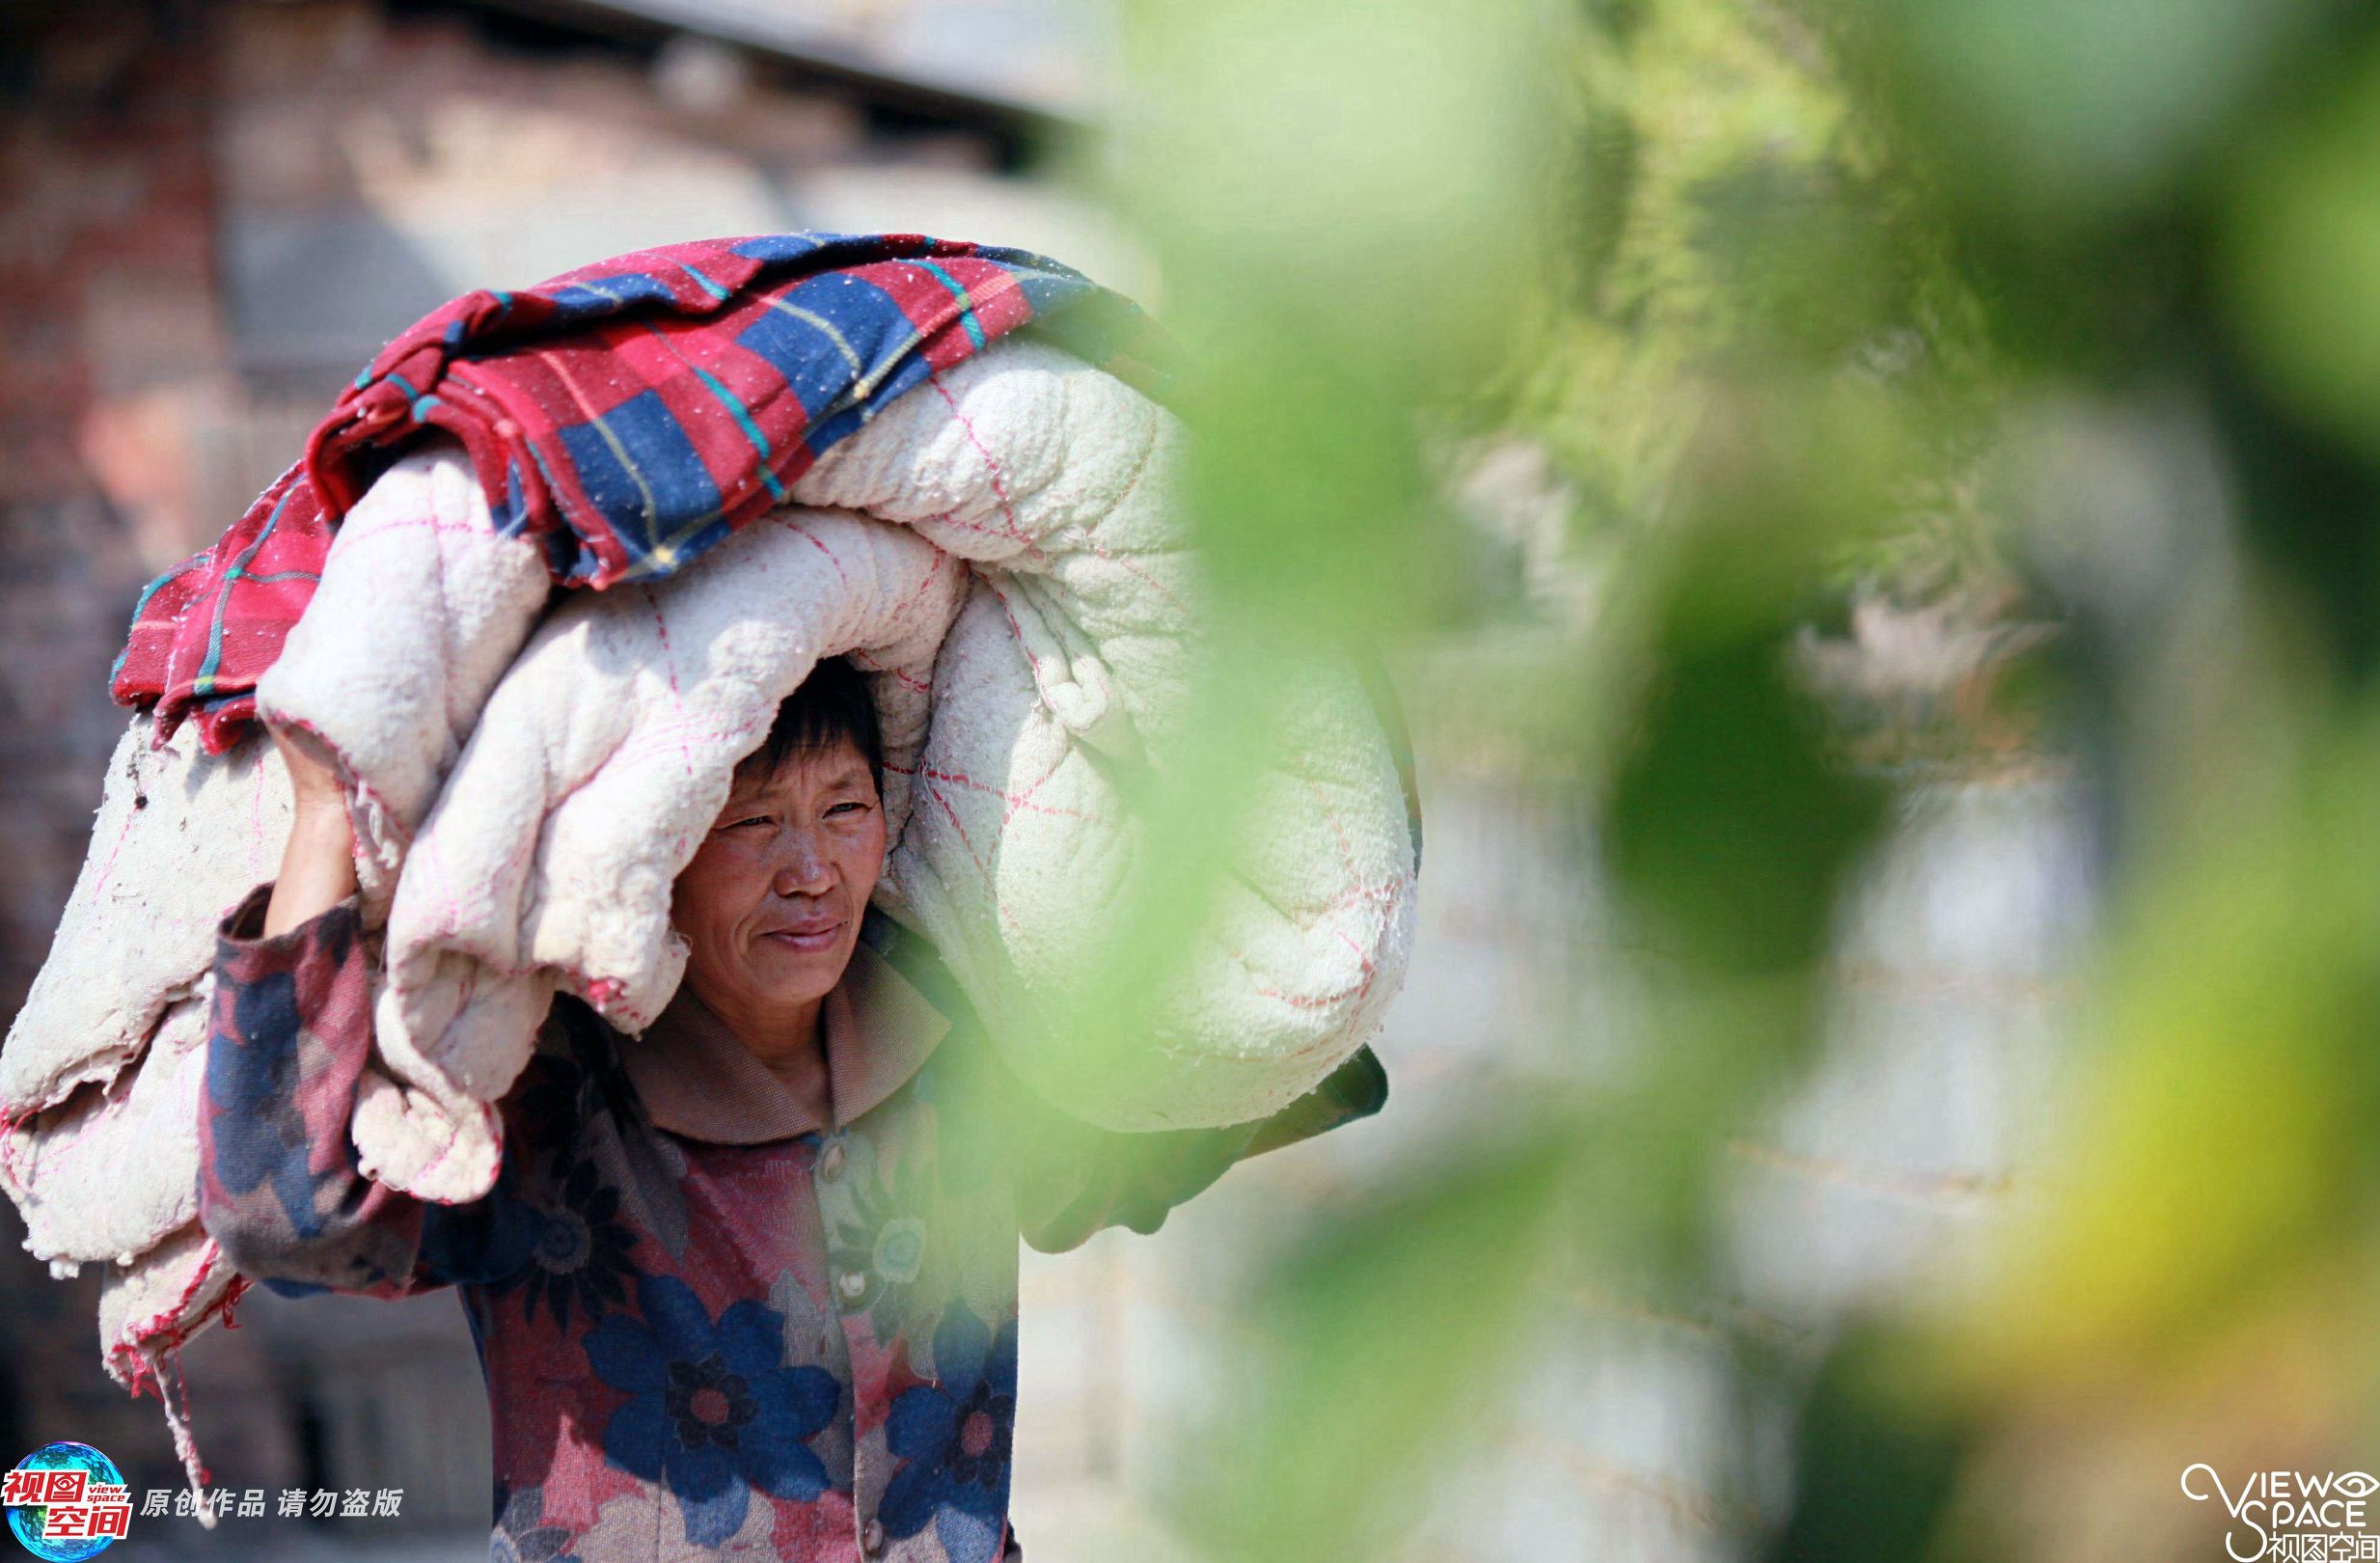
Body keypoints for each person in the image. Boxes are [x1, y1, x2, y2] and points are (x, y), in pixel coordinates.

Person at [195, 655, 1388, 1563]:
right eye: (753, 822)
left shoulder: (955, 1052)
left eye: (845, 809)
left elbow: (1165, 1114)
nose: (810, 870)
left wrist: (1279, 899)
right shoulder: (548, 1100)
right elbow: (283, 1217)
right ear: (659, 848)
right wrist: (318, 819)